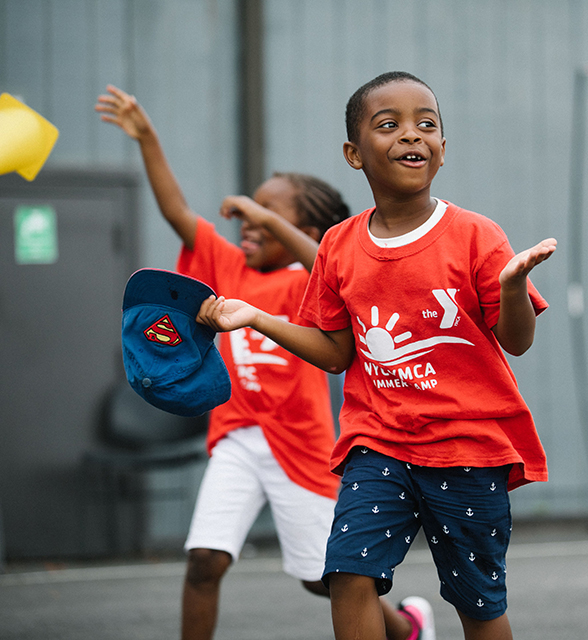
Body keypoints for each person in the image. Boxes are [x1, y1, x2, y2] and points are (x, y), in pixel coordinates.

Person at [196, 71, 557, 640]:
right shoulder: (339, 244)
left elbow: (516, 340)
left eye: (427, 125)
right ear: (354, 153)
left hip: (467, 447)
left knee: (477, 602)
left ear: (442, 149)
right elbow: (337, 353)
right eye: (388, 125)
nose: (412, 136)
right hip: (378, 442)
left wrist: (513, 287)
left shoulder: (477, 235)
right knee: (346, 573)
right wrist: (259, 319)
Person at [95, 85, 433, 640]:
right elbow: (178, 212)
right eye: (250, 211)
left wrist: (267, 219)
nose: (249, 221)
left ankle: (405, 628)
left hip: (300, 447)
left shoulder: (313, 278)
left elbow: (323, 256)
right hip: (236, 437)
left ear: (303, 229)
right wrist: (147, 138)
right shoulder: (229, 267)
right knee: (205, 560)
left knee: (322, 579)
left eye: (269, 212)